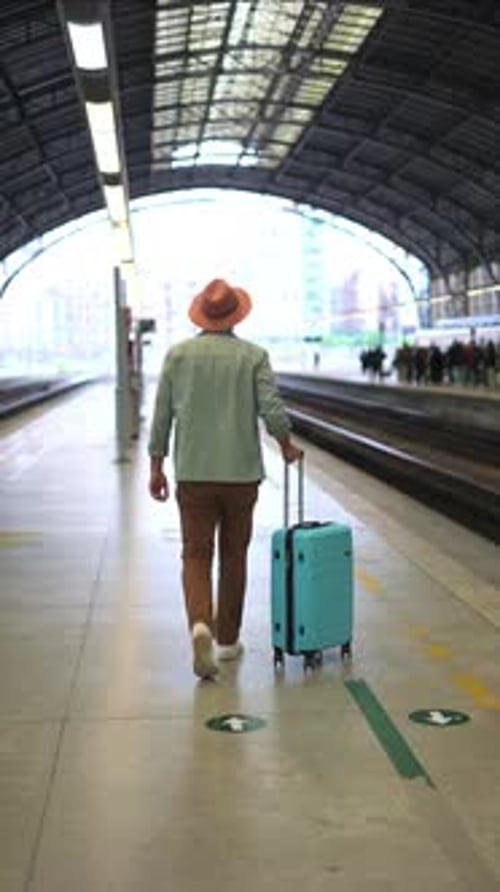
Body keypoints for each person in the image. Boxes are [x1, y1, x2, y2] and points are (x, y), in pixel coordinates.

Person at [148, 278, 303, 680]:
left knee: (195, 554)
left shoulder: (178, 356)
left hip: (194, 474)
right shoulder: (254, 356)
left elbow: (162, 414)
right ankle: (228, 641)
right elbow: (271, 409)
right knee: (234, 555)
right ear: (236, 315)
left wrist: (155, 465)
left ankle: (200, 623)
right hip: (241, 476)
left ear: (202, 313)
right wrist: (286, 444)